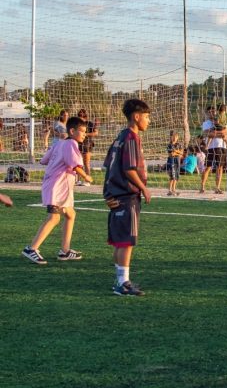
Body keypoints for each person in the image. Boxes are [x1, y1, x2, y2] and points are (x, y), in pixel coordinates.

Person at [21, 115, 92, 265]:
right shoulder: (71, 143)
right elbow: (75, 165)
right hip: (57, 187)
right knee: (54, 218)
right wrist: (86, 176)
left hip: (59, 186)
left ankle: (64, 251)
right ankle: (31, 249)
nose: (85, 134)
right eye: (82, 131)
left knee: (70, 214)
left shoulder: (59, 143)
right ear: (72, 131)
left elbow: (43, 160)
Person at [103, 98, 151, 297]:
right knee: (126, 241)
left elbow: (108, 166)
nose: (148, 121)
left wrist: (107, 193)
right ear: (136, 116)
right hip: (127, 195)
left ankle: (120, 279)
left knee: (119, 241)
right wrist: (144, 188)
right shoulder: (131, 137)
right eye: (147, 117)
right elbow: (129, 169)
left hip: (116, 194)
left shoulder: (120, 136)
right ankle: (122, 283)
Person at [200, 107, 227, 194]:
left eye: (213, 111)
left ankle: (217, 188)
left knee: (220, 168)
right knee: (208, 167)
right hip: (211, 148)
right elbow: (208, 134)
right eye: (209, 112)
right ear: (207, 113)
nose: (212, 113)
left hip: (221, 147)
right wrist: (218, 134)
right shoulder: (206, 123)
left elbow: (225, 132)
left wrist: (215, 134)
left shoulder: (222, 121)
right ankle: (202, 187)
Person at [77, 108, 99, 182]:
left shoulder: (89, 123)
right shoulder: (77, 124)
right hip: (78, 145)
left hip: (87, 144)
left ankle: (88, 180)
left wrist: (86, 134)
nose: (80, 118)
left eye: (82, 116)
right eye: (79, 116)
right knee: (77, 163)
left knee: (86, 163)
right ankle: (78, 180)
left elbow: (96, 133)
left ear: (85, 117)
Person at [166, 130, 183, 196]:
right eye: (172, 136)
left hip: (177, 161)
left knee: (176, 176)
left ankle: (174, 189)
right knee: (172, 176)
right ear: (170, 137)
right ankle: (169, 190)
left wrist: (176, 151)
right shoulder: (169, 145)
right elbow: (171, 154)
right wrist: (177, 152)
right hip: (171, 161)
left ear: (177, 137)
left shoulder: (179, 144)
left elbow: (181, 153)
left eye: (175, 136)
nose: (174, 138)